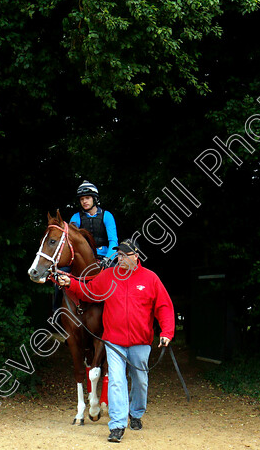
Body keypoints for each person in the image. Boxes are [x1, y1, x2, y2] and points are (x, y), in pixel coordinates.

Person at [55, 239, 175, 443]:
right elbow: (89, 291)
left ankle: (136, 413)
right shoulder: (108, 275)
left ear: (135, 257)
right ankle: (117, 425)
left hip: (140, 342)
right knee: (117, 382)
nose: (119, 259)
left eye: (124, 255)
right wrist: (71, 283)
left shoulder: (150, 278)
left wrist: (167, 332)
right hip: (114, 341)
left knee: (140, 381)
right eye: (118, 255)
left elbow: (163, 306)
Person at [53, 180, 119, 312]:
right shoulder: (76, 217)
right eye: (82, 199)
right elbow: (71, 238)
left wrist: (109, 258)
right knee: (59, 277)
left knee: (118, 279)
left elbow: (113, 241)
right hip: (82, 257)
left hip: (105, 255)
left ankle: (118, 311)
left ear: (95, 199)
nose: (84, 201)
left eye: (87, 198)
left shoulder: (107, 216)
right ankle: (58, 312)